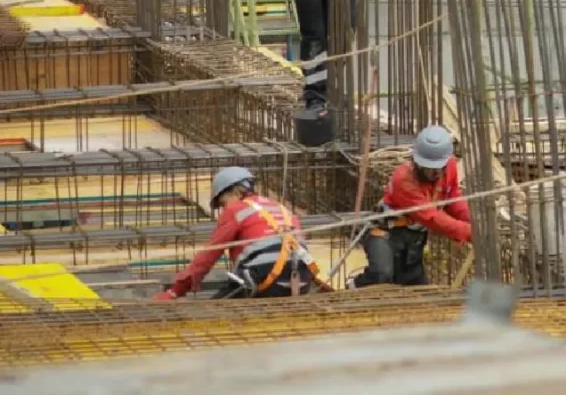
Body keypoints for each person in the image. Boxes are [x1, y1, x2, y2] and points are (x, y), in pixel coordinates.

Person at [153, 166, 330, 300]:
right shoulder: (280, 208)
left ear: (235, 191)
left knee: (212, 312)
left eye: (223, 203)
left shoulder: (236, 209)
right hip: (301, 279)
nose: (224, 208)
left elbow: (208, 255)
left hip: (262, 279)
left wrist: (175, 291)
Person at [348, 125, 472, 287]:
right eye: (430, 169)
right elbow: (431, 217)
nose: (436, 174)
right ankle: (354, 287)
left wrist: (471, 220)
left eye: (439, 168)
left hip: (413, 239)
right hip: (386, 235)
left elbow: (452, 199)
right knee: (381, 276)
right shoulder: (404, 180)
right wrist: (467, 231)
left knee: (414, 287)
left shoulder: (449, 168)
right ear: (418, 162)